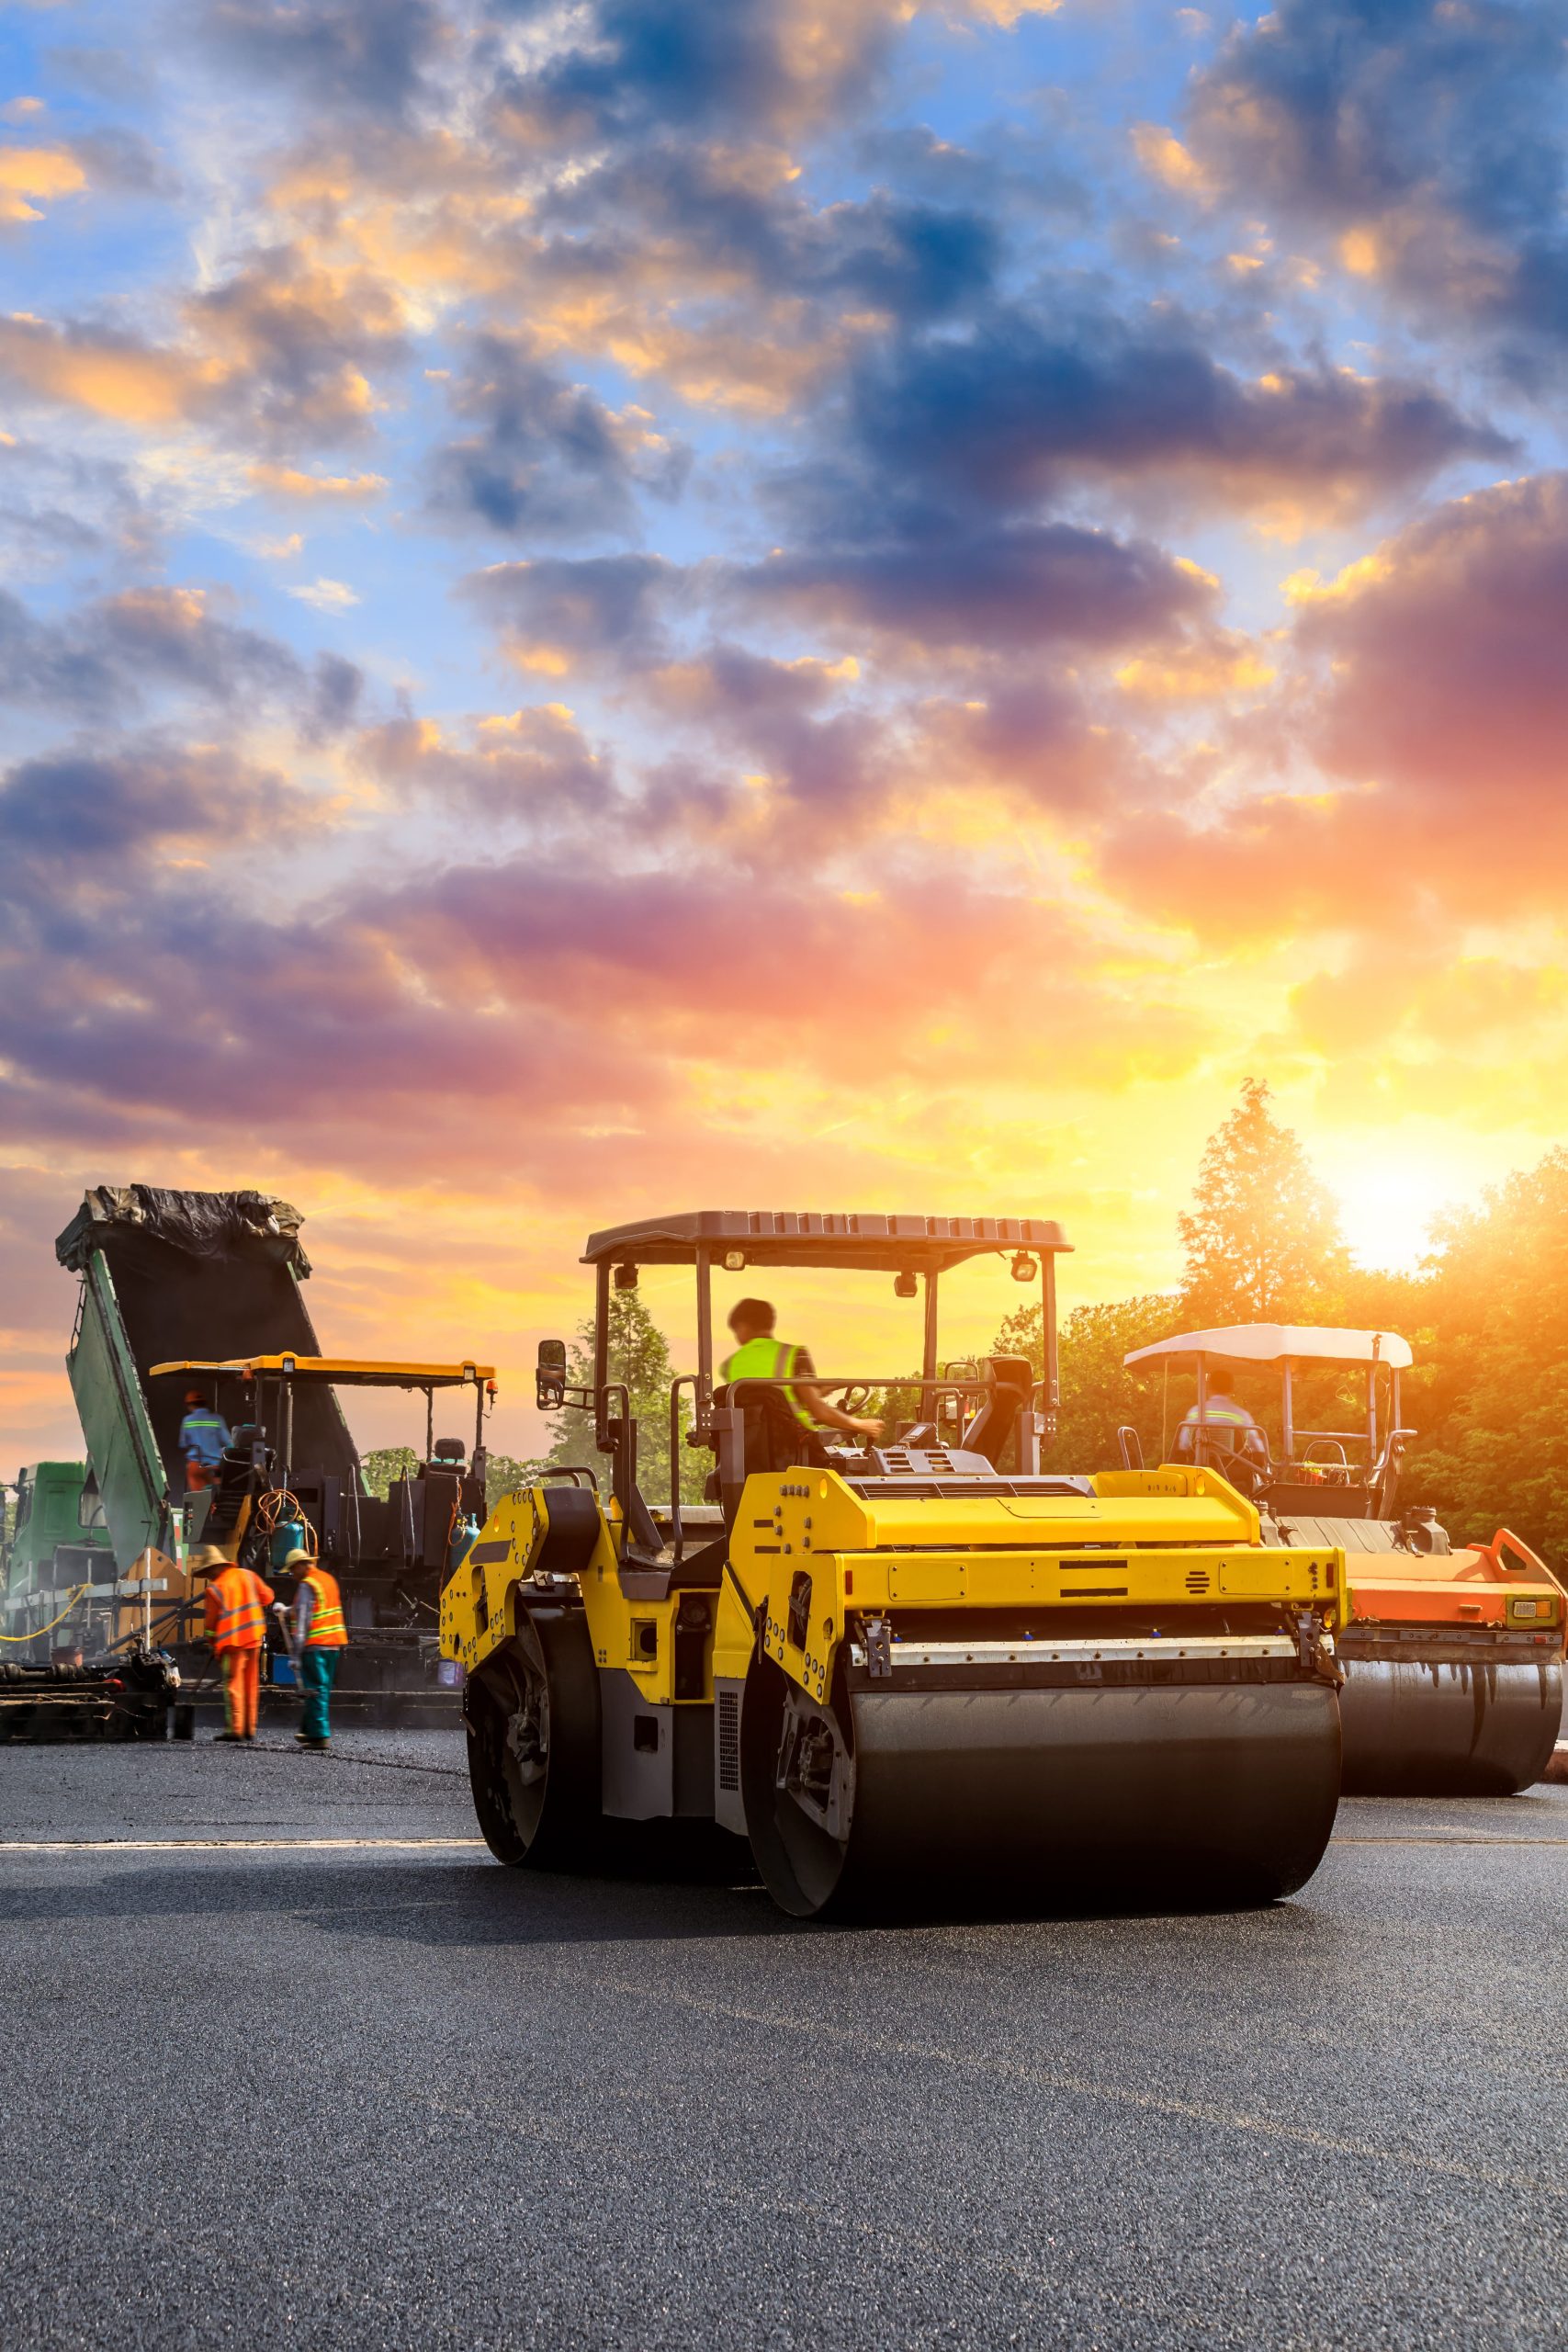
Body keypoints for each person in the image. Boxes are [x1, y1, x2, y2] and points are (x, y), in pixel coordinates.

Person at [720, 1298, 885, 1442]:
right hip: (792, 1448)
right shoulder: (794, 1354)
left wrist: (820, 1390)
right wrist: (862, 1425)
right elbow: (819, 1412)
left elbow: (769, 1400)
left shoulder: (729, 1365)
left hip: (743, 1452)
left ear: (742, 1327)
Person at [197, 1545, 274, 1743]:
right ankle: (250, 1729)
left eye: (207, 1572)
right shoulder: (248, 1576)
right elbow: (268, 1597)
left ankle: (235, 1730)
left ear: (213, 1569)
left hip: (232, 1644)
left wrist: (213, 1644)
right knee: (251, 1685)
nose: (208, 1577)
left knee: (234, 1686)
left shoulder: (214, 1588)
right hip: (254, 1638)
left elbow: (211, 1625)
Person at [283, 1546, 347, 1751]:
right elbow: (314, 1608)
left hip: (315, 1645)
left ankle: (319, 1736)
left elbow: (303, 1621)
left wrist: (295, 1654)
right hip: (333, 1644)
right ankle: (309, 1729)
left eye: (293, 1569)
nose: (292, 1574)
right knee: (321, 1689)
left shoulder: (306, 1585)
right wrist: (285, 1611)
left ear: (302, 1565)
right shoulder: (327, 1580)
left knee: (314, 1690)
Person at [178, 1391, 231, 1493]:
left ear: (190, 1405)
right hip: (215, 1465)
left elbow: (184, 1443)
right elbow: (227, 1442)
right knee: (216, 1496)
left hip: (196, 1465)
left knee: (198, 1498)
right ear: (204, 1403)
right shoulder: (217, 1419)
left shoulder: (187, 1420)